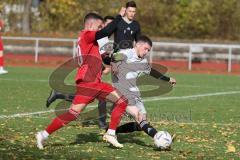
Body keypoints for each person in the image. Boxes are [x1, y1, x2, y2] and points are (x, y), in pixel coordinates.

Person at [36, 9, 128, 149]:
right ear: (90, 26)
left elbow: (104, 56)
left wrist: (114, 60)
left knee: (72, 113)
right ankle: (110, 133)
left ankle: (43, 134)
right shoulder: (86, 34)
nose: (101, 29)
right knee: (123, 100)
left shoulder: (90, 40)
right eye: (99, 26)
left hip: (87, 82)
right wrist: (119, 17)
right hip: (90, 82)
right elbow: (104, 33)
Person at [110, 35, 176, 141]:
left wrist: (168, 79)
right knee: (140, 118)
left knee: (142, 123)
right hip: (121, 93)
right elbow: (113, 57)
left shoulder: (143, 61)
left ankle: (112, 131)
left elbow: (151, 72)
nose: (146, 52)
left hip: (135, 93)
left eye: (148, 50)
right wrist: (114, 65)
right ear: (138, 44)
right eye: (145, 49)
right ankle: (160, 138)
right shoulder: (127, 53)